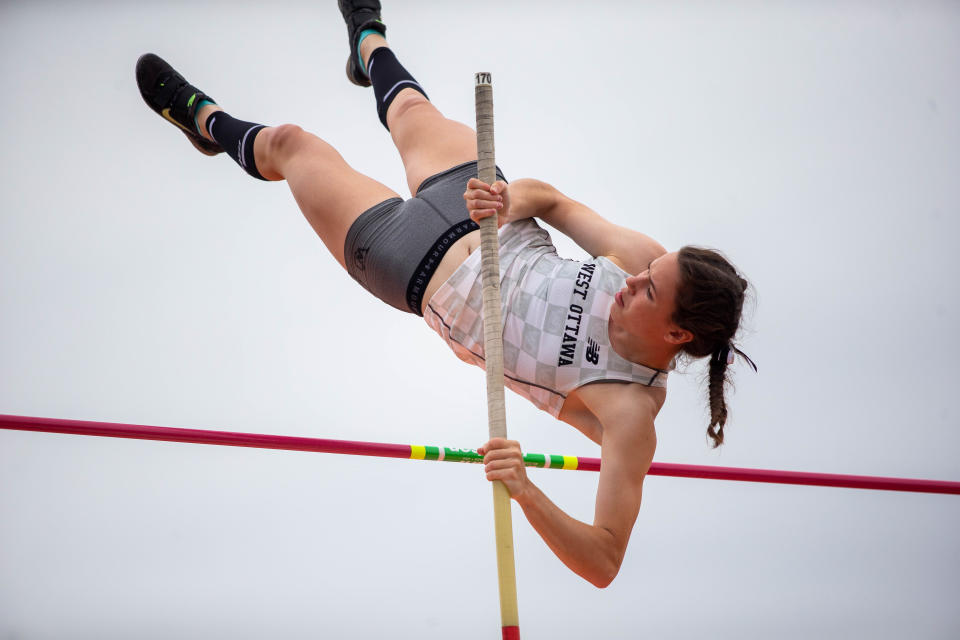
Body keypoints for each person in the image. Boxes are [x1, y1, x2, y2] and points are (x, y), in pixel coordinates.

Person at [135, 0, 755, 588]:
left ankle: (205, 121)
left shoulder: (628, 413)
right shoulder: (644, 257)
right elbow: (556, 202)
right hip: (481, 207)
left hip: (411, 264)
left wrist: (526, 488)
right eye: (650, 271)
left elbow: (603, 561)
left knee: (292, 145)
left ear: (678, 334)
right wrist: (511, 201)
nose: (636, 278)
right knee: (407, 110)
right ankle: (368, 38)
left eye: (650, 291)